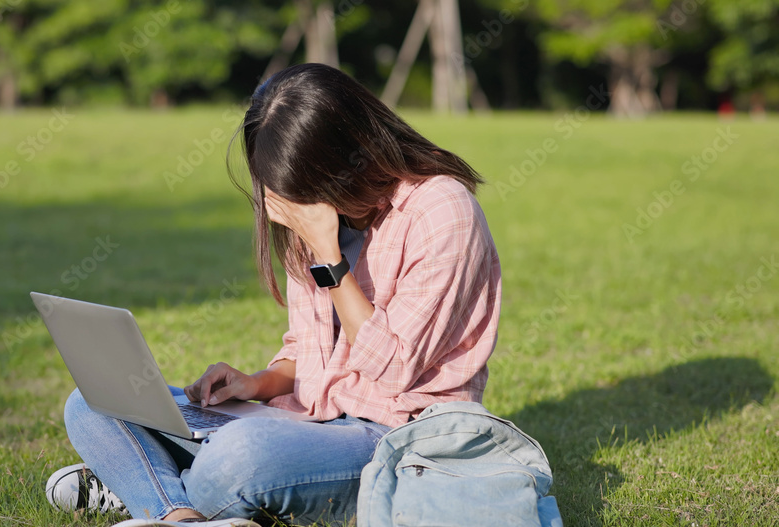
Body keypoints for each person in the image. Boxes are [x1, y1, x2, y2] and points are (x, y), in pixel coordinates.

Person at [45, 63, 502, 526]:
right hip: (303, 425)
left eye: (305, 188)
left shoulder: (440, 209)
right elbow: (311, 352)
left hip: (394, 437)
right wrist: (255, 384)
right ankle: (177, 511)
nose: (294, 206)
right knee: (94, 401)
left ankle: (145, 483)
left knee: (238, 458)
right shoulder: (318, 215)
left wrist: (329, 257)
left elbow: (394, 368)